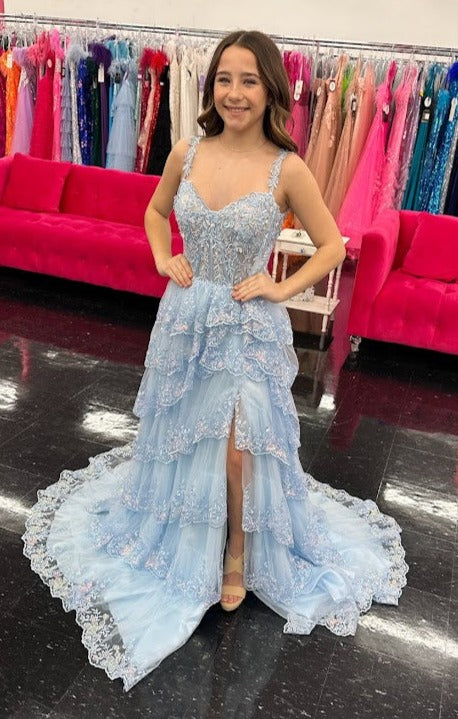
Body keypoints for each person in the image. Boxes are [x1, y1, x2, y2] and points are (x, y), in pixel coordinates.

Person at [23, 30, 408, 692]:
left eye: (249, 80)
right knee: (182, 432)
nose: (234, 92)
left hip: (248, 326)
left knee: (236, 449)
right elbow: (154, 212)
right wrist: (162, 255)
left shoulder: (287, 167)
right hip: (186, 316)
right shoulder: (187, 149)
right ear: (212, 88)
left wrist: (281, 288)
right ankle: (184, 524)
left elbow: (331, 246)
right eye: (224, 79)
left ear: (271, 90)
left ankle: (237, 549)